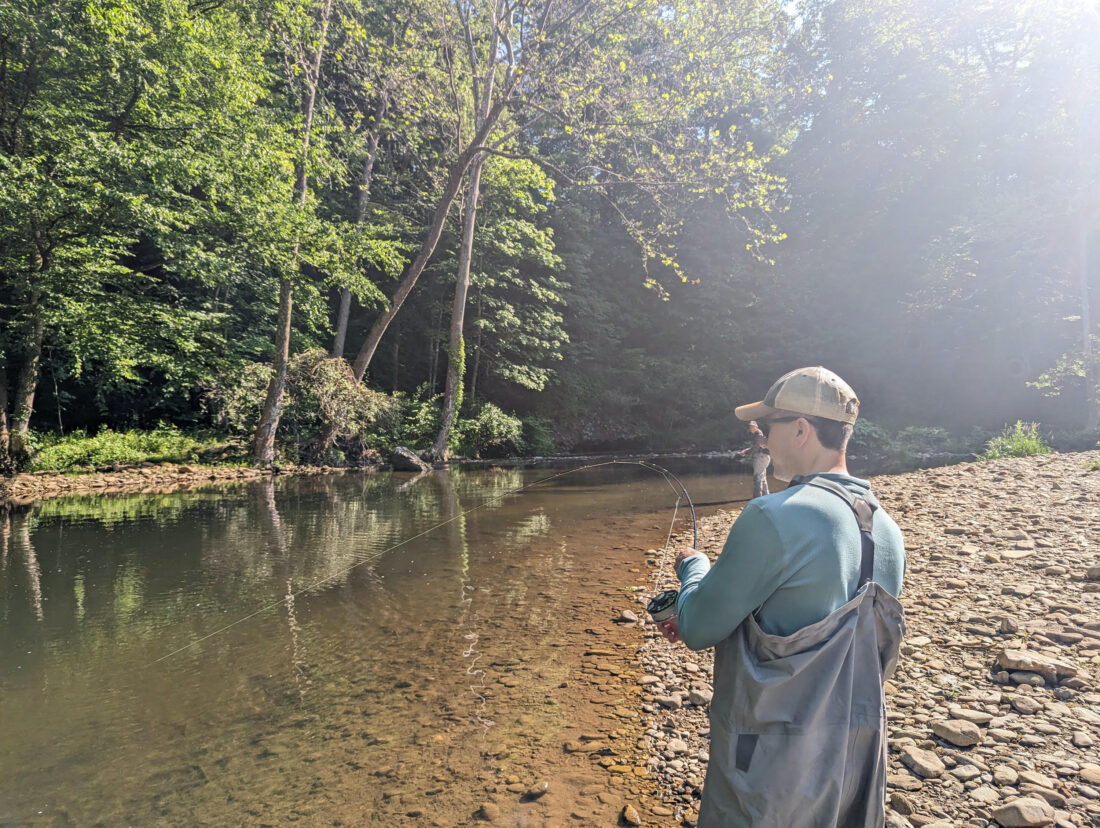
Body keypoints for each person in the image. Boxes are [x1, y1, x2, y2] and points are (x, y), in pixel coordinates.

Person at [657, 367, 906, 827]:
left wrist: (693, 568)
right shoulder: (888, 531)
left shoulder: (772, 516)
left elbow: (696, 629)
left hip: (770, 765)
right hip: (855, 756)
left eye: (769, 428)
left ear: (800, 429)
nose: (764, 441)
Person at [734, 420, 770, 497]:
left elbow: (756, 448)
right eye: (750, 427)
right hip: (765, 457)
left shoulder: (758, 434)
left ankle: (757, 498)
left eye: (753, 426)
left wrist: (745, 452)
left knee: (757, 478)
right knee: (762, 478)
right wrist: (745, 451)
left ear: (757, 427)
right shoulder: (759, 434)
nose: (751, 428)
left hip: (761, 457)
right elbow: (756, 447)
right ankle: (766, 496)